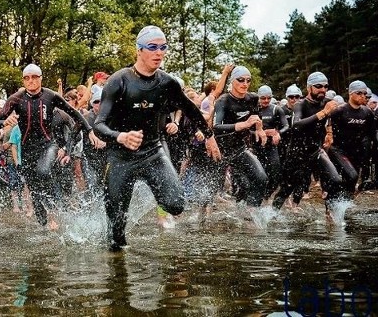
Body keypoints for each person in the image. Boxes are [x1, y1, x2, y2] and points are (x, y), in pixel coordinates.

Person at [93, 25, 220, 252]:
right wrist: (120, 136)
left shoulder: (167, 83)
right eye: (152, 47)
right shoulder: (119, 81)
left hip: (153, 153)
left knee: (176, 205)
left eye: (163, 47)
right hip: (121, 157)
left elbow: (191, 110)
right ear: (139, 50)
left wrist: (210, 137)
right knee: (116, 237)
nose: (158, 52)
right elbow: (98, 125)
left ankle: (147, 192)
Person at [0, 64, 103, 230]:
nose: (30, 81)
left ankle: (53, 212)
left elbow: (74, 113)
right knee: (33, 187)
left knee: (43, 171)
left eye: (34, 77)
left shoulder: (50, 96)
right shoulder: (16, 98)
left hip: (48, 145)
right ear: (23, 80)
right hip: (27, 148)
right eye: (27, 78)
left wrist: (89, 130)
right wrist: (4, 122)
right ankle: (43, 219)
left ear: (40, 78)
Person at [272, 72, 342, 219]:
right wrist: (323, 113)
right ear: (309, 87)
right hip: (297, 153)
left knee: (335, 180)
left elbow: (340, 117)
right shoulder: (300, 105)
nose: (322, 89)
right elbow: (296, 125)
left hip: (316, 151)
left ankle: (329, 212)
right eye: (318, 86)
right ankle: (271, 215)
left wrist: (330, 132)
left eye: (325, 86)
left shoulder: (327, 102)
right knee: (287, 188)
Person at [212, 66, 268, 210]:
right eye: (240, 80)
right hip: (220, 151)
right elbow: (216, 127)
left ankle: (251, 213)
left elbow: (257, 116)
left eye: (248, 80)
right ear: (232, 81)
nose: (245, 83)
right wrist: (241, 125)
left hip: (238, 149)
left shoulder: (253, 98)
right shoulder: (223, 101)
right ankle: (201, 219)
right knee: (211, 192)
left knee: (261, 178)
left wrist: (260, 129)